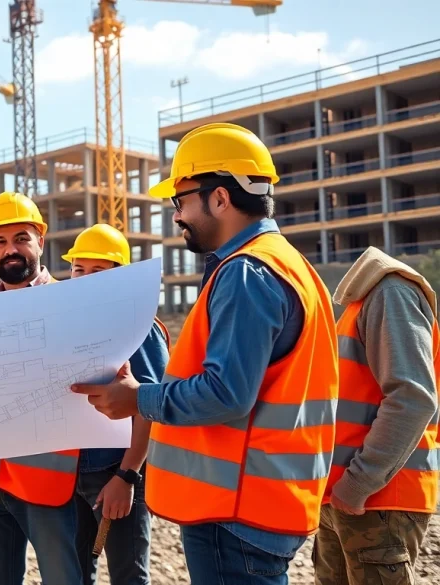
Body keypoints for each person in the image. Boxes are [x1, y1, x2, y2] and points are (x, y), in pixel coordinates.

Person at [72, 122, 339, 585]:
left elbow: (227, 393)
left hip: (236, 514)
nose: (176, 216)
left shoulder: (247, 273)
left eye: (181, 201)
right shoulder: (291, 264)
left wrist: (139, 398)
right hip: (265, 504)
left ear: (220, 197)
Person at [315, 245, 438, 585]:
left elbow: (412, 399)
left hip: (376, 498)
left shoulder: (391, 292)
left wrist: (358, 484)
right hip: (347, 497)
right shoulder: (360, 303)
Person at [0, 191, 83, 585]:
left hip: (51, 483)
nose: (11, 250)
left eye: (21, 238)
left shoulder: (71, 306)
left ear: (41, 239)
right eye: (0, 241)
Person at [64, 224, 169, 585]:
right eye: (79, 269)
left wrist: (126, 477)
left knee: (128, 576)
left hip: (118, 474)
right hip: (71, 477)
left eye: (98, 271)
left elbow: (151, 408)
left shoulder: (141, 327)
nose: (85, 278)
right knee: (76, 574)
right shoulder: (68, 325)